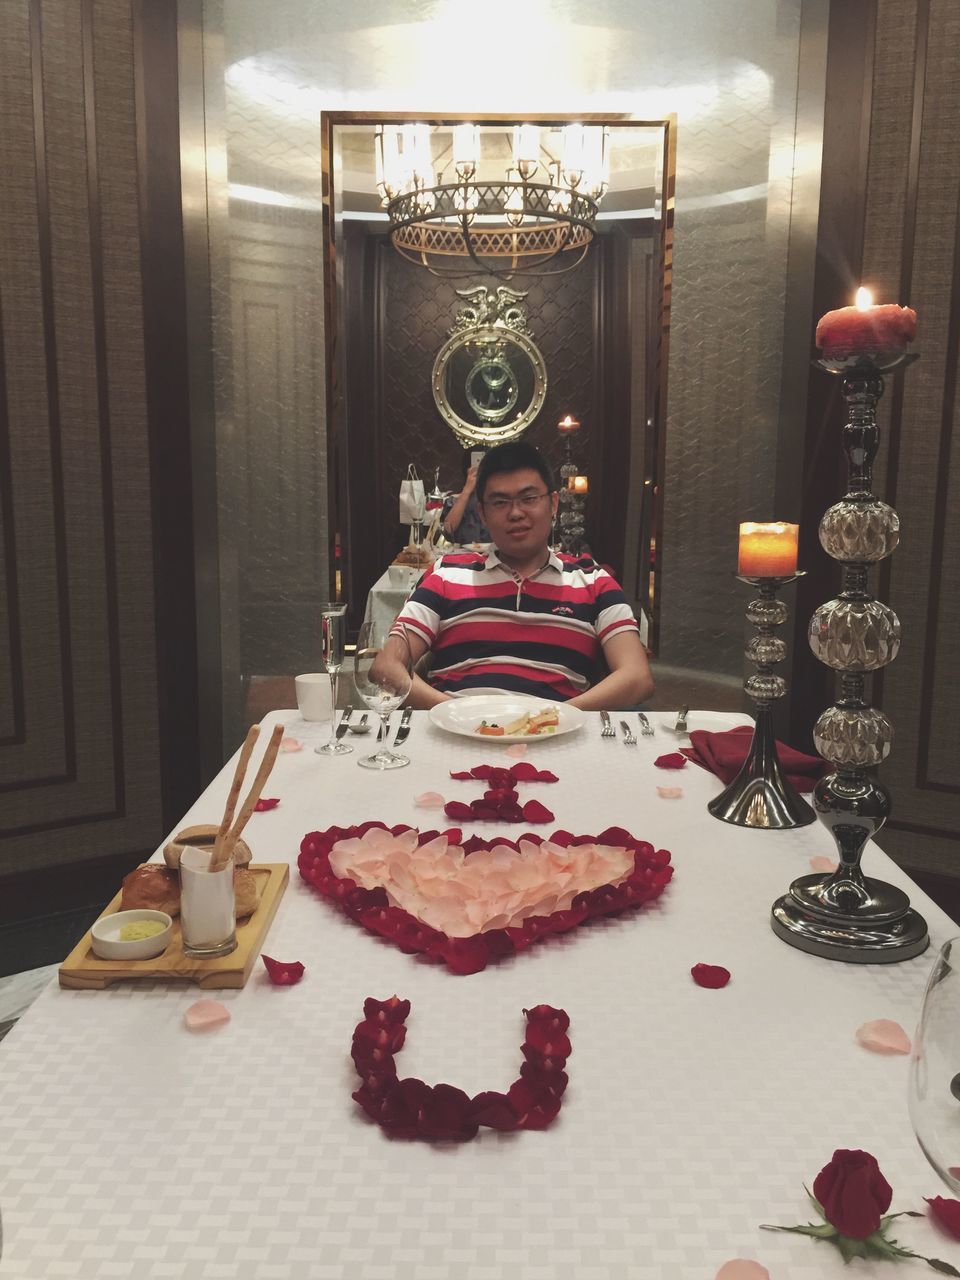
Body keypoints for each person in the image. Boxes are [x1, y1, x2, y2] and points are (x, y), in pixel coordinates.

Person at [385, 440, 653, 711]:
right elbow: (387, 665)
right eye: (500, 502)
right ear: (483, 513)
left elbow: (636, 676)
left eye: (529, 498)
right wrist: (455, 714)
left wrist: (554, 719)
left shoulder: (593, 580)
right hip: (453, 733)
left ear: (553, 504)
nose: (515, 513)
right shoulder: (446, 574)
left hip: (557, 737)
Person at [440, 452, 490, 544]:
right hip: (462, 555)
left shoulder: (496, 499)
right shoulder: (454, 500)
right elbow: (448, 530)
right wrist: (467, 490)